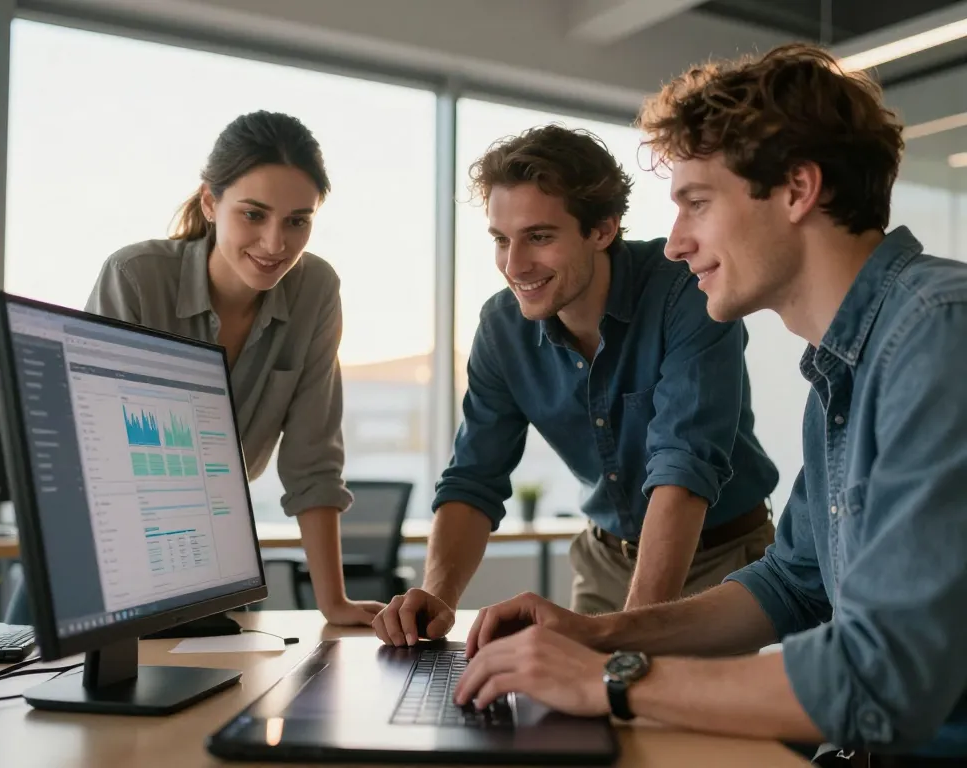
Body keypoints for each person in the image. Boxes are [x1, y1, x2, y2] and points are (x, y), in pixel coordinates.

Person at [452, 43, 967, 765]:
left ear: (796, 190)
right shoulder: (844, 369)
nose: (674, 244)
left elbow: (880, 680)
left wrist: (610, 677)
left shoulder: (938, 335)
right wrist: (596, 634)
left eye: (697, 203)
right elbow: (791, 585)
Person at [373, 124, 779, 645]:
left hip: (722, 564)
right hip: (604, 560)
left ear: (603, 230)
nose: (514, 266)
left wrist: (627, 640)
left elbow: (684, 466)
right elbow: (474, 477)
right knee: (576, 720)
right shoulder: (502, 328)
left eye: (539, 237)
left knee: (685, 722)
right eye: (502, 240)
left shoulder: (687, 292)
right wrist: (437, 597)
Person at [83, 111, 381, 626]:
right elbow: (92, 450)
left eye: (297, 221)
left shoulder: (315, 291)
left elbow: (313, 461)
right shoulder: (135, 279)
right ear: (209, 202)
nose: (275, 244)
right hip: (108, 553)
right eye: (253, 215)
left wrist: (333, 604)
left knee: (231, 700)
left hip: (215, 557)